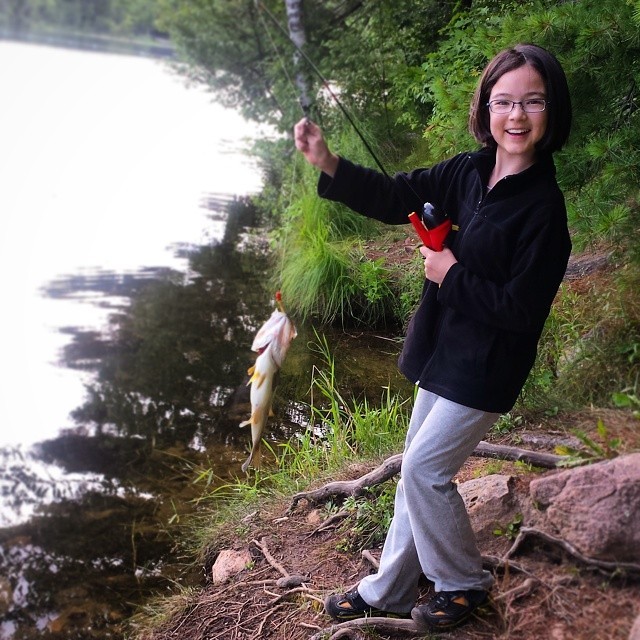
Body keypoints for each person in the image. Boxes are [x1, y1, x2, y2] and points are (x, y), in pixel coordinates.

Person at [293, 43, 572, 631]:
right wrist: (330, 163)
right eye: (503, 102)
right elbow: (397, 196)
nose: (516, 116)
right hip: (442, 351)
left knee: (424, 471)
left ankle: (463, 581)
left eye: (532, 101)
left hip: (488, 365)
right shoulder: (465, 172)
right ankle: (388, 590)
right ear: (485, 109)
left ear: (552, 111)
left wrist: (451, 274)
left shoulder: (545, 211)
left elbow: (522, 311)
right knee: (413, 476)